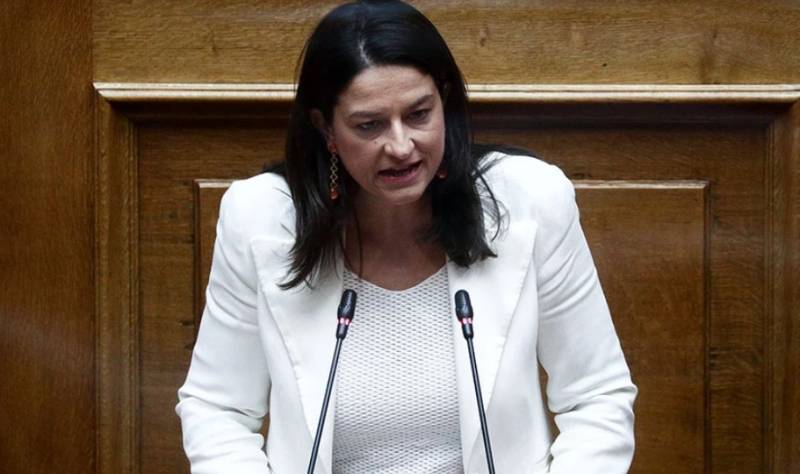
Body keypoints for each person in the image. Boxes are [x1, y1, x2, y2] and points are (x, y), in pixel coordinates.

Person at [175, 1, 637, 473]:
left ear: (445, 104)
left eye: (418, 114)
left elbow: (596, 397)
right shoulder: (261, 217)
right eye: (369, 125)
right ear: (326, 128)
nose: (400, 146)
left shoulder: (529, 200)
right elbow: (218, 408)